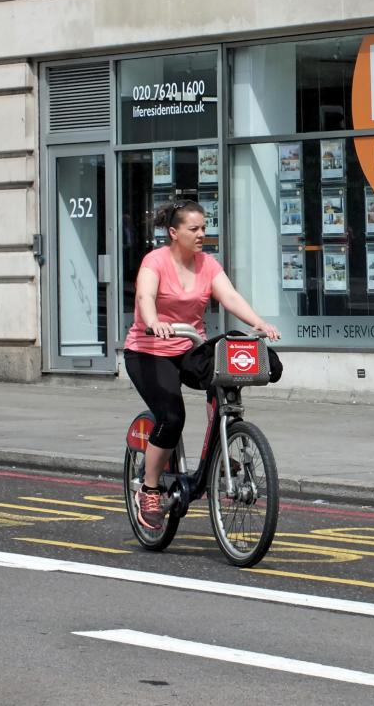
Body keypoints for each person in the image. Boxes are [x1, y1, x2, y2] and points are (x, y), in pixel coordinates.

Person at [123, 200, 280, 531]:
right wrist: (153, 322)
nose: (201, 235)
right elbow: (145, 298)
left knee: (224, 374)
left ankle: (221, 449)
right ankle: (150, 489)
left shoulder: (207, 264)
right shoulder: (155, 261)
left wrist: (260, 323)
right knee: (171, 417)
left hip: (188, 346)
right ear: (174, 232)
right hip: (149, 350)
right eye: (193, 229)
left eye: (204, 228)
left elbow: (231, 297)